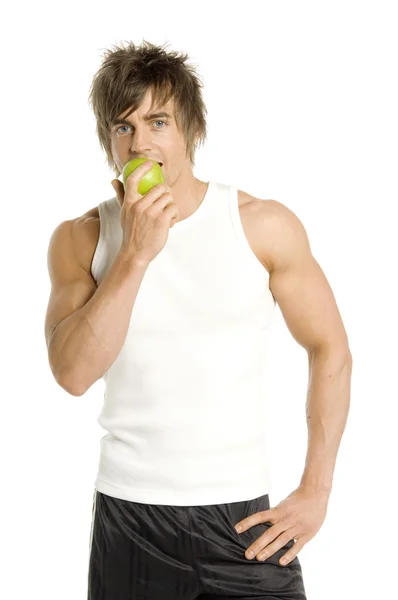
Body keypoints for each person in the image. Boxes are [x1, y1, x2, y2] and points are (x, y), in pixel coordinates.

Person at [44, 40, 352, 600]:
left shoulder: (261, 225)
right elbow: (72, 375)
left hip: (242, 524)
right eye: (122, 127)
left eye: (157, 121)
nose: (140, 142)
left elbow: (330, 347)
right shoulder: (82, 238)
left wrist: (317, 490)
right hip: (130, 519)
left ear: (190, 130)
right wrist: (136, 253)